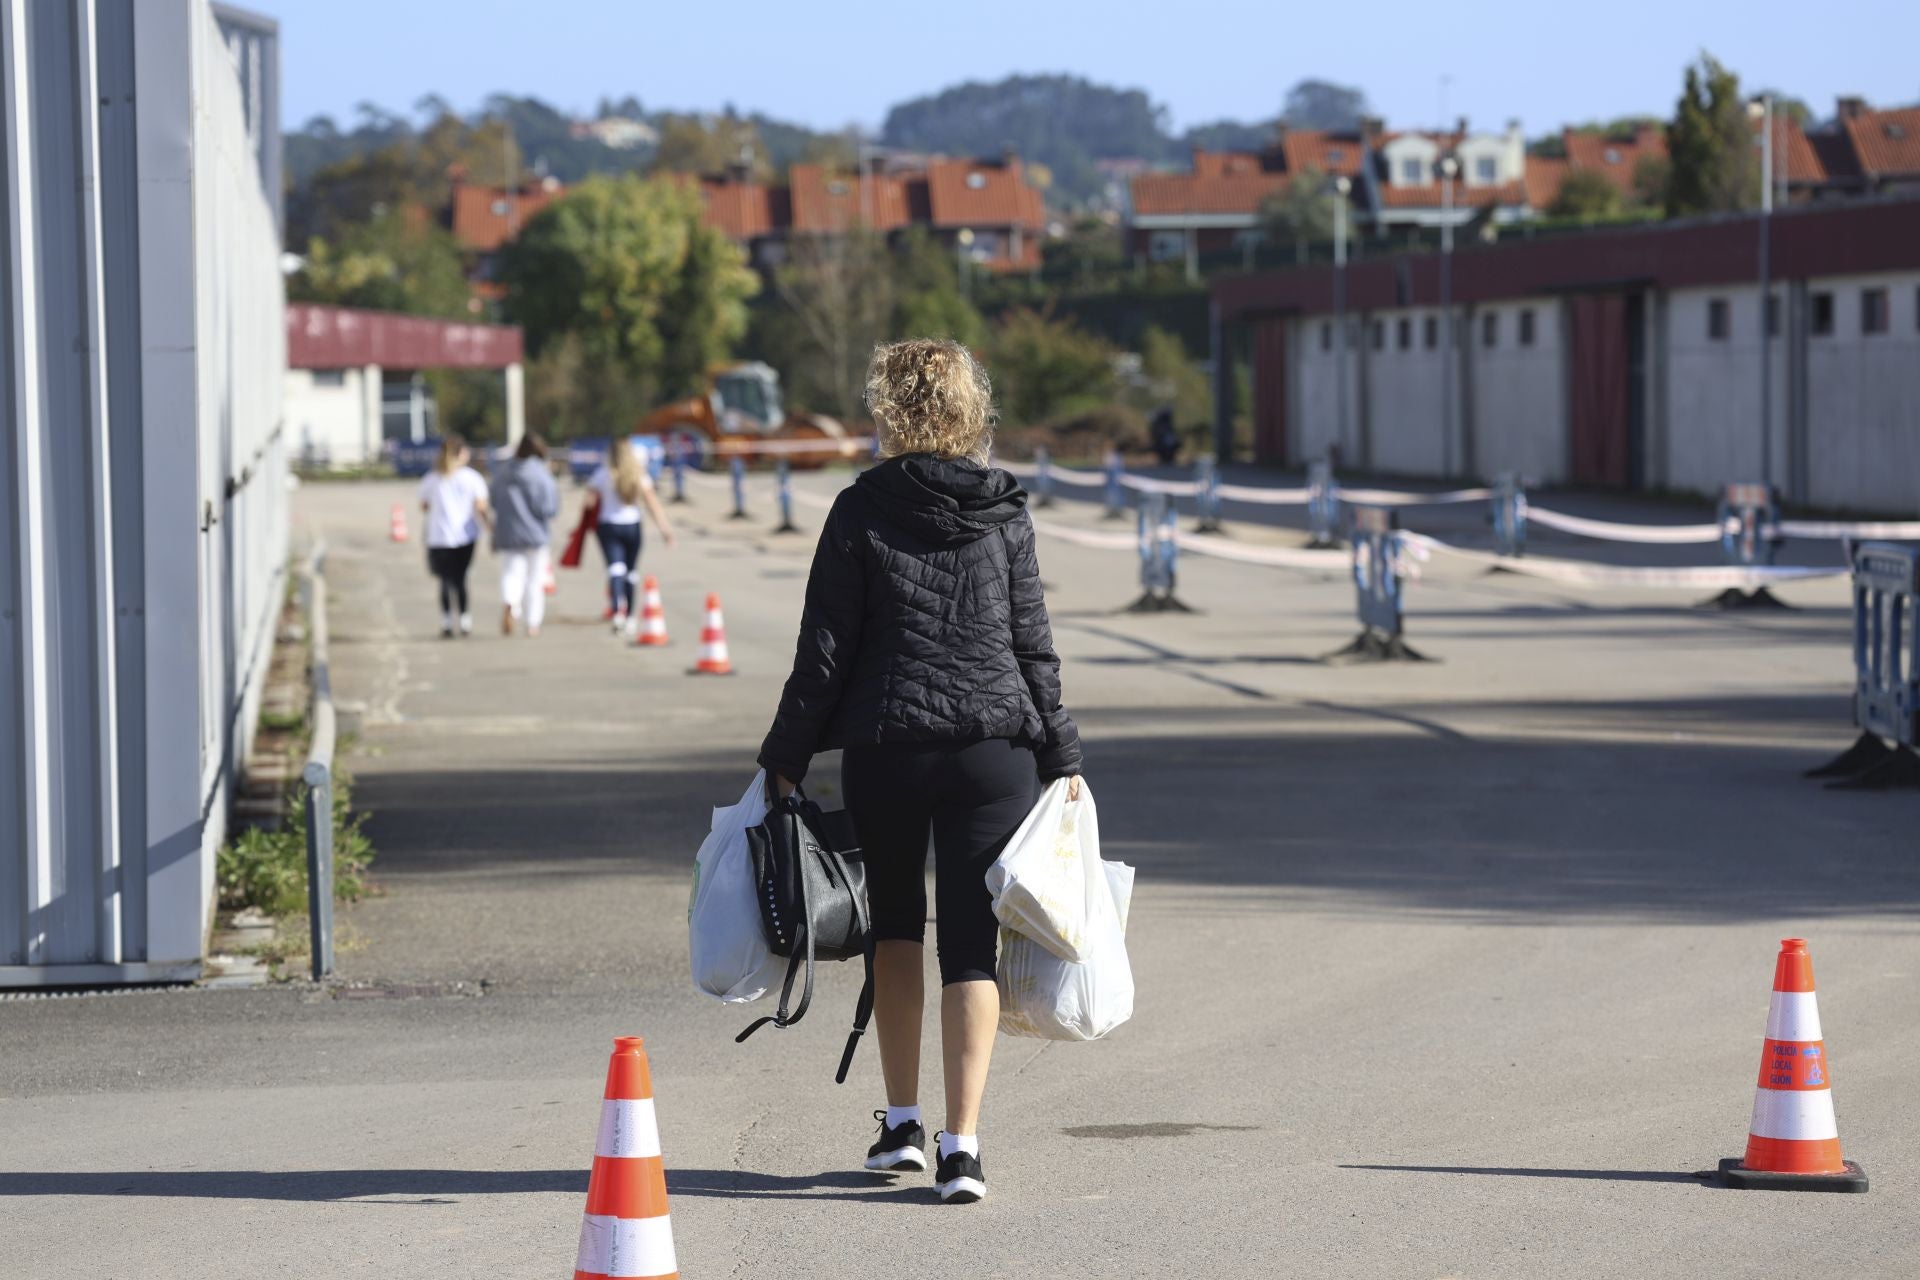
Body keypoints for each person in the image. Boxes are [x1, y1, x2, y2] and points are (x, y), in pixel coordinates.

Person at [758, 338, 1083, 1205]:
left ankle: (900, 1124)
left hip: (888, 746)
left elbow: (824, 652)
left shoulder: (859, 508)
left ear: (888, 408)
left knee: (894, 928)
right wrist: (1063, 754)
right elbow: (1032, 644)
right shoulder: (1006, 510)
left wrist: (785, 761)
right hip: (993, 751)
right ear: (973, 408)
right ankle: (962, 1148)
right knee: (972, 943)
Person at [585, 438, 675, 634]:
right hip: (632, 526)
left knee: (615, 569)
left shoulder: (602, 475)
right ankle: (631, 616)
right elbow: (652, 504)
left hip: (608, 525)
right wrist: (665, 530)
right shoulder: (639, 476)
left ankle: (617, 612)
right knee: (631, 572)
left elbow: (589, 503)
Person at [418, 434, 490, 638]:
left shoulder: (432, 479)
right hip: (465, 537)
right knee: (461, 580)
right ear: (461, 453)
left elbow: (423, 505)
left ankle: (447, 621)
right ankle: (465, 621)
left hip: (439, 537)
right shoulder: (472, 478)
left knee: (445, 580)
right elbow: (481, 506)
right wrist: (489, 527)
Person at [491, 433, 560, 637]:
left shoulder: (502, 472)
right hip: (535, 533)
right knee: (534, 579)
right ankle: (532, 623)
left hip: (508, 532)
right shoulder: (540, 474)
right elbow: (548, 507)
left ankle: (510, 604)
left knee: (511, 573)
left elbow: (493, 500)